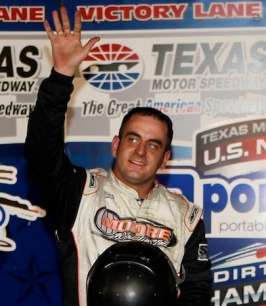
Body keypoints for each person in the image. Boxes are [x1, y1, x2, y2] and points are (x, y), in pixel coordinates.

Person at [24, 7, 212, 306]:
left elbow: (197, 291)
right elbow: (41, 152)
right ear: (115, 145)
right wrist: (61, 76)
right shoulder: (80, 193)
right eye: (133, 139)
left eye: (153, 145)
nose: (140, 151)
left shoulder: (185, 216)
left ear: (165, 159)